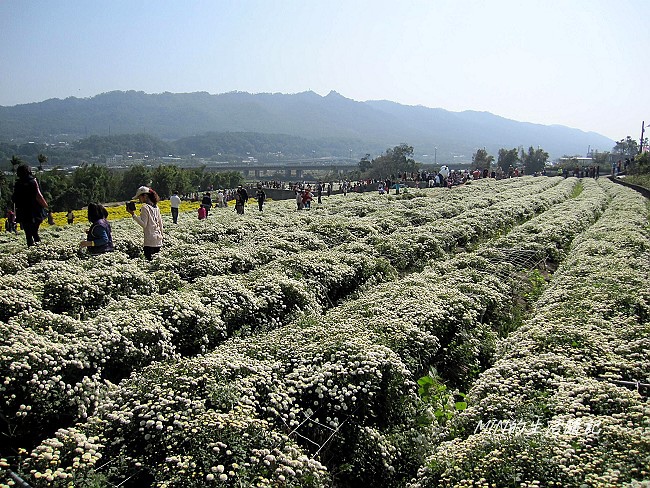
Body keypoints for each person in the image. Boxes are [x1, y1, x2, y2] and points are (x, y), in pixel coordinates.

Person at [11, 164, 48, 247]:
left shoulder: (18, 184)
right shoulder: (33, 181)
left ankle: (31, 250)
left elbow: (14, 198)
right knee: (35, 233)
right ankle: (39, 250)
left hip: (22, 211)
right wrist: (45, 205)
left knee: (28, 234)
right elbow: (38, 196)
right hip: (34, 211)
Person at [127, 186, 163, 260]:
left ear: (145, 196)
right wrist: (162, 236)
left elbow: (144, 224)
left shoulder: (145, 207)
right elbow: (160, 223)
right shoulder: (156, 207)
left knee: (149, 262)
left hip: (150, 241)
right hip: (158, 239)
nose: (139, 199)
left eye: (140, 197)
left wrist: (133, 215)